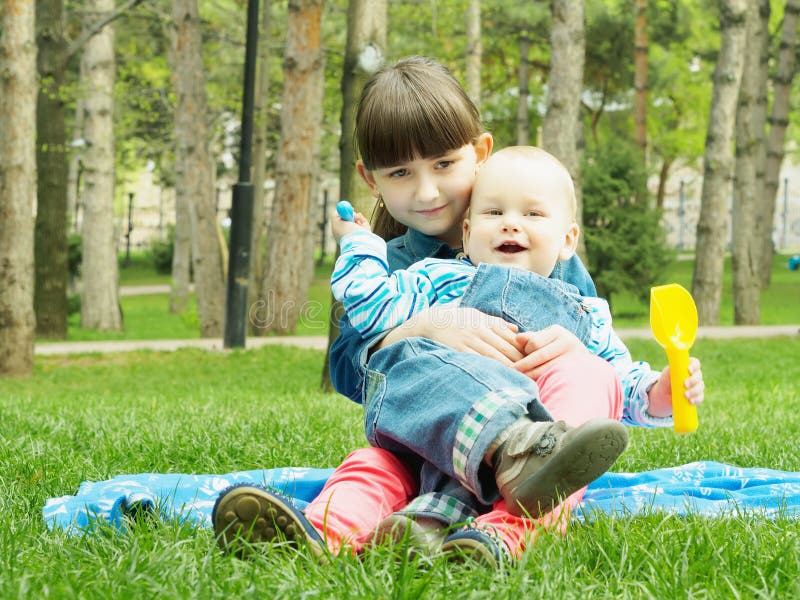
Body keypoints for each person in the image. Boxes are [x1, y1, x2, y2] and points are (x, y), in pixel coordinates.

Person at [212, 57, 704, 566]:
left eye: (444, 164)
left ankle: (502, 531)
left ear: (480, 153)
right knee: (374, 460)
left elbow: (614, 375)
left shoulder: (557, 264)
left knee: (588, 375)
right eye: (401, 173)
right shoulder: (403, 267)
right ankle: (317, 536)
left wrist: (618, 372)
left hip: (540, 448)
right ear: (371, 179)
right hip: (425, 444)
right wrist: (421, 326)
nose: (427, 190)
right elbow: (350, 365)